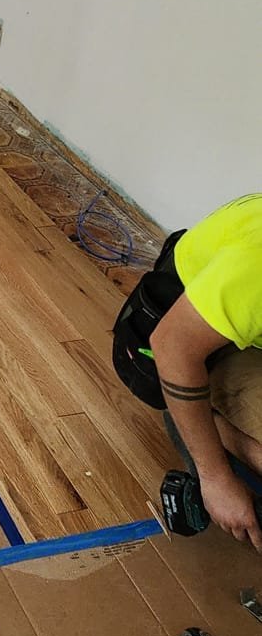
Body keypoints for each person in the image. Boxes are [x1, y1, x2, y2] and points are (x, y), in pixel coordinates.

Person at [112, 193, 262, 551]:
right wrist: (216, 480)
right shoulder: (256, 263)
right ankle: (199, 422)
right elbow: (173, 347)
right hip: (182, 346)